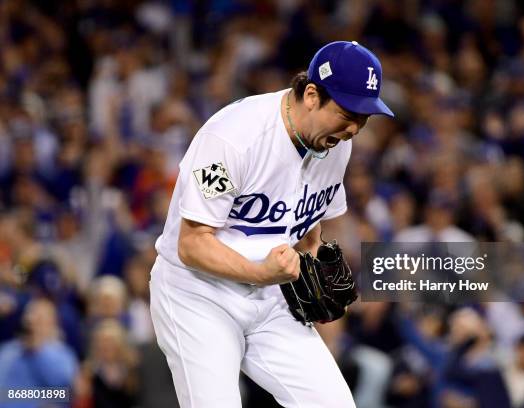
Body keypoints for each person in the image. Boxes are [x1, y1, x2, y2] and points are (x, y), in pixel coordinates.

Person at [149, 40, 394, 407]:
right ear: (312, 95)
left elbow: (312, 218)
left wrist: (312, 255)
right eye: (348, 115)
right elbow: (192, 243)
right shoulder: (231, 139)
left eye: (364, 118)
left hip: (271, 296)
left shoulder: (335, 142)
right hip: (197, 295)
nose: (355, 129)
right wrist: (261, 272)